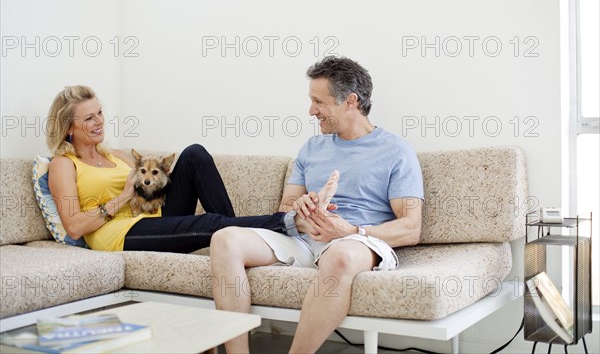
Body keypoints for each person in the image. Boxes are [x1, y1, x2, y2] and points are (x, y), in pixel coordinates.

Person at [210, 56, 425, 354]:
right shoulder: (312, 148)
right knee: (225, 239)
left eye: (318, 102)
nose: (312, 111)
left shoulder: (396, 151)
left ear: (350, 101)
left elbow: (411, 227)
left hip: (357, 240)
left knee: (341, 256)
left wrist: (350, 229)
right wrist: (302, 207)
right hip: (303, 238)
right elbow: (285, 208)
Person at [46, 85, 301, 252]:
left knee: (194, 155)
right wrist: (123, 196)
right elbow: (75, 227)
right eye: (89, 118)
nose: (99, 121)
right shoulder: (64, 164)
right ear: (69, 127)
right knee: (207, 222)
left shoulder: (116, 154)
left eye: (99, 113)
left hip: (153, 215)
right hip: (117, 234)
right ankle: (286, 223)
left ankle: (234, 238)